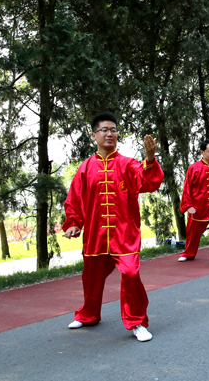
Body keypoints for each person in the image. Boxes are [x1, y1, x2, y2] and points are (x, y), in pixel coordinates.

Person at [62, 112, 164, 342]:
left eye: (114, 130)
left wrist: (149, 158)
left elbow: (148, 182)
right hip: (96, 234)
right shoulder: (86, 167)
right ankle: (88, 314)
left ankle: (137, 322)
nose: (110, 134)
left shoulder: (128, 164)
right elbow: (74, 200)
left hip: (124, 234)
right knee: (92, 278)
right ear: (94, 135)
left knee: (130, 272)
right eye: (105, 130)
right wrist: (74, 223)